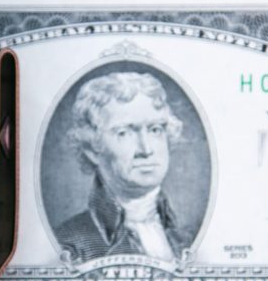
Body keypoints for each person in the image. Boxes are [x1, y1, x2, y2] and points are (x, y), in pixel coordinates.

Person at [55, 71, 191, 261]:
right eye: (124, 133)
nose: (146, 149)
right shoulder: (69, 243)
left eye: (155, 129)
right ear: (92, 149)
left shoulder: (187, 236)